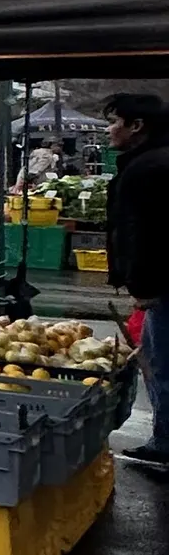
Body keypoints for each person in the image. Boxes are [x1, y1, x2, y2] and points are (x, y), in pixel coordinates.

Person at [103, 92, 168, 464]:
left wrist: (142, 287)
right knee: (155, 360)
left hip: (162, 285)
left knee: (162, 364)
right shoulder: (153, 162)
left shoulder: (147, 169)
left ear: (137, 126)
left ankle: (165, 445)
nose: (110, 130)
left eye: (115, 122)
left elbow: (144, 235)